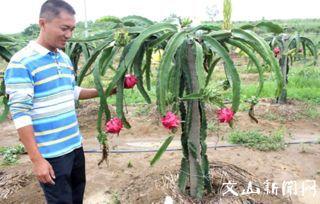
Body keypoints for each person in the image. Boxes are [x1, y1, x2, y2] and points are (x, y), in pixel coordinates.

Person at [4, 0, 112, 203]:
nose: (69, 35)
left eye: (72, 29)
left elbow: (72, 92)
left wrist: (107, 90)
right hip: (51, 155)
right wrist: (37, 160)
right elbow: (20, 114)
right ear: (43, 23)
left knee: (76, 198)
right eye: (64, 28)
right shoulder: (21, 63)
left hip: (74, 146)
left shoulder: (63, 58)